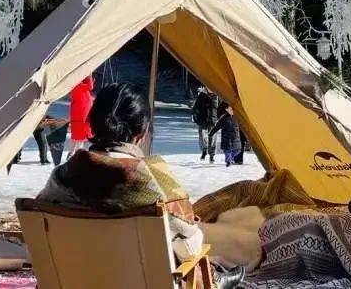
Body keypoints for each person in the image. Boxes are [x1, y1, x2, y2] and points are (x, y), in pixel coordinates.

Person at [38, 83, 244, 288]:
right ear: (142, 132)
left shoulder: (62, 178)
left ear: (93, 122)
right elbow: (190, 247)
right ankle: (215, 280)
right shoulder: (154, 181)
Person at [67, 74, 95, 156]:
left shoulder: (77, 86)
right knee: (80, 137)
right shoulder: (78, 86)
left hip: (79, 115)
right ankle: (74, 155)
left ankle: (72, 154)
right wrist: (89, 74)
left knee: (77, 138)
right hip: (81, 116)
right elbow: (90, 86)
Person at [209, 102, 243, 166]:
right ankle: (228, 161)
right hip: (226, 137)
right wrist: (211, 133)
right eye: (230, 109)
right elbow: (217, 126)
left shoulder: (237, 116)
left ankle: (231, 158)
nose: (231, 111)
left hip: (236, 137)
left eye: (232, 109)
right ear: (227, 110)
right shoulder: (224, 118)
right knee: (227, 151)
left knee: (238, 150)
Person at [192, 86, 218, 162]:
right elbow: (196, 107)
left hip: (213, 119)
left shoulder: (217, 95)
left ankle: (212, 155)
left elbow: (221, 108)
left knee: (213, 137)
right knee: (202, 136)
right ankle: (204, 151)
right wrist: (195, 115)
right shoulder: (202, 95)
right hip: (202, 119)